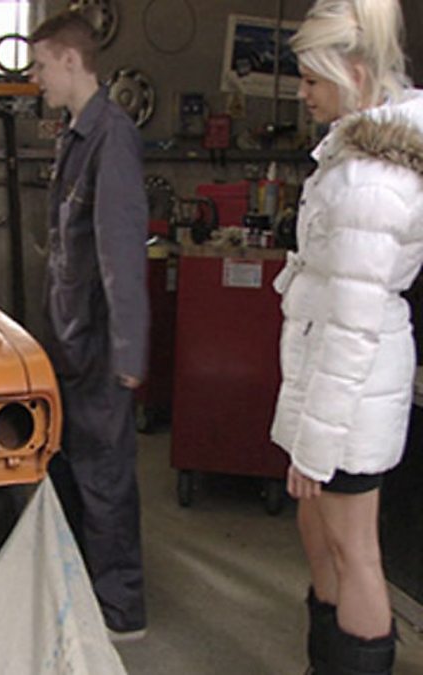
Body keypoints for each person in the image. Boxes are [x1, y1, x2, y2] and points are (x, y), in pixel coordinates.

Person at [272, 1, 421, 673]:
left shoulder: (372, 179)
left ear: (354, 73)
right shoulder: (352, 152)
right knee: (318, 527)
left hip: (350, 389)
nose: (303, 94)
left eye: (312, 79)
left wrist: (317, 443)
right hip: (330, 376)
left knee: (354, 548)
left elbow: (353, 323)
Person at [29, 11, 150, 641]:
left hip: (100, 344)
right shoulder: (74, 135)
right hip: (71, 335)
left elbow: (120, 254)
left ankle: (121, 612)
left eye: (42, 65)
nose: (37, 78)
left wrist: (128, 354)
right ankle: (83, 596)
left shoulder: (112, 138)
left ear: (71, 61)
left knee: (105, 477)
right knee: (73, 469)